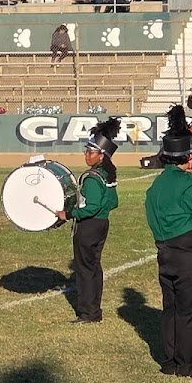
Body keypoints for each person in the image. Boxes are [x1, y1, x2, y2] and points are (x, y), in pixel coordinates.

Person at [144, 105, 192, 378]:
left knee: (172, 308)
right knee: (191, 311)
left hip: (165, 253)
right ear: (187, 157)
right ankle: (189, 363)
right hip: (190, 256)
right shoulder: (189, 185)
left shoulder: (154, 187)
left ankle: (171, 361)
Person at [55, 117, 121, 324]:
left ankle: (87, 313)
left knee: (85, 271)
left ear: (102, 156)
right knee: (94, 268)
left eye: (90, 152)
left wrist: (69, 214)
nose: (86, 154)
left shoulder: (92, 178)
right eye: (86, 150)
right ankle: (94, 311)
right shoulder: (106, 175)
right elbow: (113, 202)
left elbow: (90, 207)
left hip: (89, 227)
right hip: (102, 224)